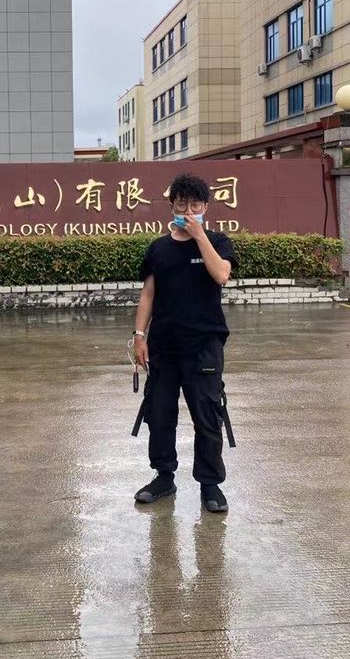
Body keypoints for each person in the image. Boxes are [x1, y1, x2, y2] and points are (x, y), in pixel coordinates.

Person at [132, 173, 236, 513]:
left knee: (207, 415)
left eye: (194, 205)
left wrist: (199, 236)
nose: (188, 211)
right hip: (164, 345)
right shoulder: (159, 248)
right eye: (181, 205)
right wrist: (139, 336)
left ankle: (210, 484)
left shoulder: (218, 242)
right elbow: (148, 294)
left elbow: (221, 274)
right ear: (172, 206)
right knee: (159, 414)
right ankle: (164, 476)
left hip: (204, 345)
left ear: (205, 207)